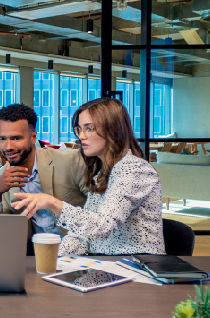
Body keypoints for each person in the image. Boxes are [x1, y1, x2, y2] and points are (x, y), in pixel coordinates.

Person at [10, 98, 164, 255]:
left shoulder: (134, 169)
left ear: (113, 130)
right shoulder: (101, 173)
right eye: (79, 129)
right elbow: (84, 236)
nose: (81, 136)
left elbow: (103, 227)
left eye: (89, 129)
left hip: (138, 267)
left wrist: (53, 203)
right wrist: (51, 258)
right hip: (107, 265)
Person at [0, 104, 89, 250]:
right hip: (37, 255)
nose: (8, 146)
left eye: (16, 138)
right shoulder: (1, 176)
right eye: (2, 138)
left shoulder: (70, 160)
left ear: (33, 137)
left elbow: (101, 213)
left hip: (82, 251)